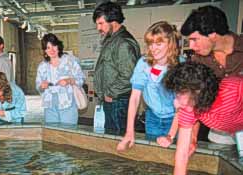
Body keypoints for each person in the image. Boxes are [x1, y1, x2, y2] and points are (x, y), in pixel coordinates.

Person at [162, 62, 243, 175]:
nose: (176, 102)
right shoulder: (188, 109)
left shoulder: (234, 88)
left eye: (181, 93)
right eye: (176, 94)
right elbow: (182, 155)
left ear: (198, 91)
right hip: (235, 131)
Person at [181, 5, 243, 143]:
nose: (191, 46)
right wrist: (193, 137)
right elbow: (194, 100)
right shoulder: (198, 60)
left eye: (194, 39)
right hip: (218, 132)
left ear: (213, 35)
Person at [117, 21, 181, 151]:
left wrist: (170, 135)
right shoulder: (144, 63)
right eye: (150, 43)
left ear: (171, 43)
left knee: (173, 153)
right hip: (152, 116)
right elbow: (134, 98)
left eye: (159, 43)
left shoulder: (180, 66)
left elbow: (182, 107)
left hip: (175, 119)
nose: (153, 48)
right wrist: (129, 131)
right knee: (152, 153)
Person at [93, 1, 140, 135]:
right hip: (113, 101)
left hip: (118, 101)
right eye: (97, 24)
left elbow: (129, 76)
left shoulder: (123, 43)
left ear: (113, 21)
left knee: (118, 141)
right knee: (112, 141)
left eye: (101, 23)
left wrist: (110, 93)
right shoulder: (112, 40)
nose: (98, 28)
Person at [35, 33, 84, 125]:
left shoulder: (70, 61)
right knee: (53, 135)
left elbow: (81, 79)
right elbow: (38, 87)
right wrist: (42, 86)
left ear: (58, 46)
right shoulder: (42, 66)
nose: (52, 50)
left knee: (68, 132)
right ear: (45, 50)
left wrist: (69, 81)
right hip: (49, 105)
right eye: (48, 47)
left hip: (68, 104)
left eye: (54, 46)